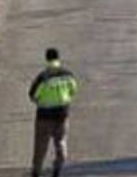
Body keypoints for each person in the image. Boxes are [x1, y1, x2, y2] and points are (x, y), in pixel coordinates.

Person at [28, 47, 78, 177]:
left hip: (44, 116)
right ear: (58, 58)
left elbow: (33, 94)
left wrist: (41, 101)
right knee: (61, 142)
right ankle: (58, 168)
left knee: (41, 146)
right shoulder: (68, 74)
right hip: (62, 115)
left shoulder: (43, 77)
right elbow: (73, 90)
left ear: (47, 59)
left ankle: (36, 172)